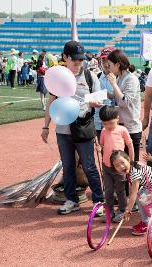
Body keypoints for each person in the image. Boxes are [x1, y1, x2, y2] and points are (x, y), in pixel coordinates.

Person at [41, 41, 104, 215]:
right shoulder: (59, 76)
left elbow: (99, 101)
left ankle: (98, 200)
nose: (78, 63)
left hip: (83, 126)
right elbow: (51, 102)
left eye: (81, 59)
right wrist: (45, 126)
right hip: (63, 129)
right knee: (68, 166)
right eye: (75, 59)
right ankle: (71, 200)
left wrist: (95, 103)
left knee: (89, 166)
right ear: (65, 57)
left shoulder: (90, 76)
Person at [110, 150, 152, 235]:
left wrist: (128, 210)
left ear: (128, 159)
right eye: (117, 166)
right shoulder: (133, 166)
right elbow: (133, 190)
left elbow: (133, 193)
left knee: (141, 198)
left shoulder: (135, 173)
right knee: (139, 196)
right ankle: (146, 220)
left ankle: (147, 224)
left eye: (122, 162)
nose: (121, 166)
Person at [98, 105, 134, 223]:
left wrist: (131, 161)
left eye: (111, 123)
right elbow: (102, 145)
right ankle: (109, 212)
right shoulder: (103, 131)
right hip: (107, 166)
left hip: (119, 168)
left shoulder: (122, 130)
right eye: (105, 124)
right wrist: (100, 149)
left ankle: (122, 211)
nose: (108, 126)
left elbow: (130, 145)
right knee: (108, 191)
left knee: (120, 190)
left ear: (117, 118)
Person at [106, 49, 142, 162]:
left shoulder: (131, 79)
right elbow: (117, 96)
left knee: (131, 164)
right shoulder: (119, 77)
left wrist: (113, 84)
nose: (109, 67)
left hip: (131, 128)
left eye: (110, 64)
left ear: (117, 64)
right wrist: (106, 95)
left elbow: (124, 102)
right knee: (121, 163)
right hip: (121, 125)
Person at [94, 46, 115, 140]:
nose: (106, 64)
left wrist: (110, 96)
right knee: (102, 150)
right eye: (103, 61)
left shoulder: (120, 78)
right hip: (98, 121)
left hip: (114, 122)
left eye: (108, 60)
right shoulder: (96, 77)